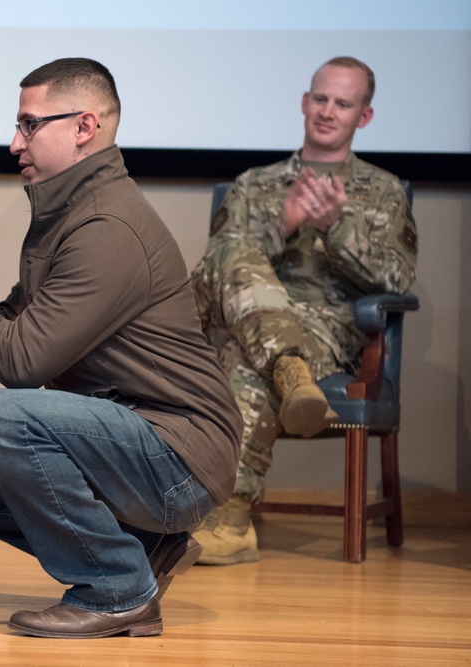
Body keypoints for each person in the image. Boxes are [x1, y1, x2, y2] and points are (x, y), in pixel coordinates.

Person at [0, 57, 242, 639]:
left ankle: (116, 589)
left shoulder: (107, 227)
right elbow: (12, 319)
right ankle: (146, 552)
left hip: (178, 456)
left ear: (84, 127)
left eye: (30, 125)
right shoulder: (68, 212)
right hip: (136, 437)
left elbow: (23, 362)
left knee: (0, 415)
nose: (14, 142)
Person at [189, 56, 418, 565]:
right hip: (248, 318)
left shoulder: (382, 191)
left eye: (343, 103)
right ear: (303, 102)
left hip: (327, 328)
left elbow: (398, 281)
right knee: (233, 254)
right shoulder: (255, 184)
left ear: (365, 116)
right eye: (320, 99)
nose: (328, 111)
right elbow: (217, 268)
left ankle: (225, 515)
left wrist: (338, 229)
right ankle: (288, 371)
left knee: (244, 357)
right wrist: (283, 225)